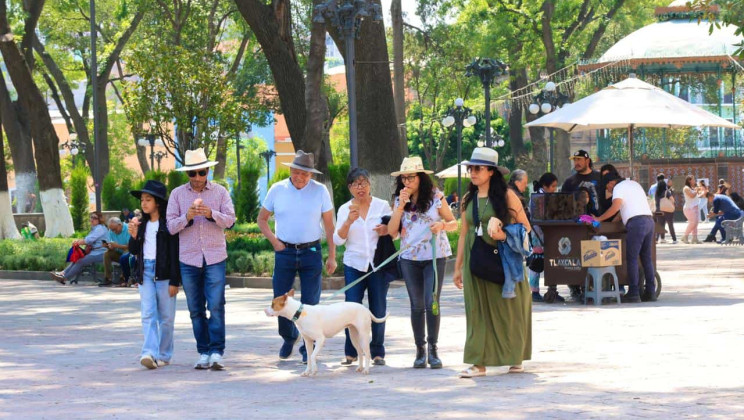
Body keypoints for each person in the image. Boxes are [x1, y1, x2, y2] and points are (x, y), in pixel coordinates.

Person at [452, 147, 532, 378]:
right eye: (470, 168)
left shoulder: (507, 196)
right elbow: (464, 234)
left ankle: (514, 357)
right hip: (475, 260)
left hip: (504, 262)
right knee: (476, 311)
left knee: (508, 311)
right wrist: (457, 267)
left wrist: (504, 235)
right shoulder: (469, 198)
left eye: (478, 168)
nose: (472, 172)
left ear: (491, 172)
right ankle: (478, 363)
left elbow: (525, 228)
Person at [258, 150, 337, 364]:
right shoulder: (277, 189)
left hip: (311, 251)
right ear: (291, 170)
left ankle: (307, 346)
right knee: (280, 298)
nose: (300, 177)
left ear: (311, 175)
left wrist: (332, 255)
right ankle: (288, 337)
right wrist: (275, 242)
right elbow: (262, 219)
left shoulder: (320, 191)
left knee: (310, 303)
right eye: (297, 172)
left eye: (306, 174)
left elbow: (329, 226)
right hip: (285, 252)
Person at [166, 148, 236, 370]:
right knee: (195, 308)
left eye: (202, 172)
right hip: (188, 259)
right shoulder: (177, 194)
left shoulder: (220, 192)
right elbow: (170, 227)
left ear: (208, 171)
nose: (197, 178)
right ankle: (203, 352)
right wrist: (186, 217)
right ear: (187, 174)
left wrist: (210, 214)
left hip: (215, 256)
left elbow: (231, 220)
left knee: (216, 305)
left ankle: (217, 351)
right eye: (192, 173)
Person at [387, 156, 457, 369]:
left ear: (421, 177)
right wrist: (400, 206)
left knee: (431, 302)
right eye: (404, 178)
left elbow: (453, 223)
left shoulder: (436, 196)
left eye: (411, 177)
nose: (407, 181)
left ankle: (434, 349)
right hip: (409, 258)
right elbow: (391, 233)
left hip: (434, 256)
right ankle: (420, 350)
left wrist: (442, 227)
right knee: (417, 305)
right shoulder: (400, 200)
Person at [333, 168, 392, 366]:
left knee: (378, 306)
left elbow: (396, 232)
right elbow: (337, 240)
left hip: (377, 264)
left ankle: (377, 352)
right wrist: (349, 221)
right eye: (356, 184)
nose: (361, 187)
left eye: (364, 182)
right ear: (349, 188)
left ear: (370, 184)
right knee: (350, 308)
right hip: (354, 264)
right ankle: (351, 352)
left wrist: (386, 230)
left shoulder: (382, 206)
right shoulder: (344, 209)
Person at [128, 180, 181, 370]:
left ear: (157, 202)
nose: (143, 203)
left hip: (165, 274)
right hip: (146, 273)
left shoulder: (168, 225)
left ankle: (164, 354)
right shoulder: (140, 224)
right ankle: (149, 352)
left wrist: (175, 280)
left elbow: (175, 253)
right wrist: (133, 235)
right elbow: (133, 250)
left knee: (166, 318)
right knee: (148, 314)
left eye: (148, 199)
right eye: (142, 200)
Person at [594, 172, 656, 303]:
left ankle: (633, 292)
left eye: (607, 188)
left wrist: (599, 219)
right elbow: (623, 211)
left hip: (636, 223)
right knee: (646, 258)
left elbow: (616, 207)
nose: (609, 191)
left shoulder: (618, 188)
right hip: (649, 221)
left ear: (611, 183)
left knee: (632, 258)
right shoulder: (634, 184)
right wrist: (611, 223)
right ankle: (650, 292)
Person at [561, 149, 600, 301]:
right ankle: (574, 287)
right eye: (574, 160)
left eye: (579, 159)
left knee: (593, 255)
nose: (576, 163)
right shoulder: (569, 182)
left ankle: (593, 284)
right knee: (574, 255)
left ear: (587, 160)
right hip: (575, 227)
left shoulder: (598, 178)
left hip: (596, 226)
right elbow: (562, 203)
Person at [528, 172, 561, 303]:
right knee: (537, 262)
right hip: (538, 233)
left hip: (547, 232)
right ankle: (534, 291)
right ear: (544, 186)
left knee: (551, 260)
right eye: (552, 186)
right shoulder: (538, 198)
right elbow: (538, 217)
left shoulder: (546, 196)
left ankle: (552, 290)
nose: (554, 189)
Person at [51, 211, 108, 285]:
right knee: (77, 258)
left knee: (80, 261)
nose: (92, 219)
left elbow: (88, 240)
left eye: (95, 218)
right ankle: (62, 273)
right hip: (94, 252)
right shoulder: (95, 228)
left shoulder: (100, 228)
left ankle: (64, 278)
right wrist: (78, 241)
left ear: (99, 219)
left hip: (101, 253)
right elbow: (88, 239)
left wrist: (77, 242)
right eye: (91, 217)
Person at [99, 217, 131, 287]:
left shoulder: (128, 229)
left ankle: (123, 277)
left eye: (115, 229)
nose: (113, 231)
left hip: (129, 254)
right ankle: (108, 278)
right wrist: (108, 246)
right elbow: (112, 243)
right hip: (118, 252)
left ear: (120, 225)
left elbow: (130, 246)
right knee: (106, 254)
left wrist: (117, 246)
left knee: (126, 252)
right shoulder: (111, 231)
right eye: (111, 229)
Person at [681, 175, 702, 244]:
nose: (694, 181)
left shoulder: (693, 188)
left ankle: (694, 238)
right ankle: (685, 236)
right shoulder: (686, 188)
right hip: (689, 208)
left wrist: (698, 191)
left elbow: (697, 196)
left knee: (695, 223)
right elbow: (692, 196)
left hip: (695, 207)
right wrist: (696, 190)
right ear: (689, 180)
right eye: (693, 179)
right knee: (693, 223)